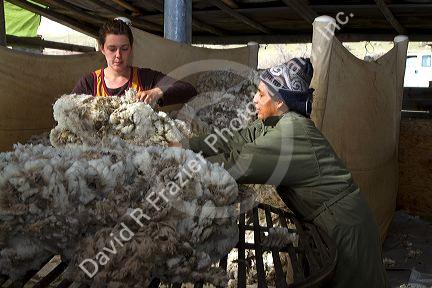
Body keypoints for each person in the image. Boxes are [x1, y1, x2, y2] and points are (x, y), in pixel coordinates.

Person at [181, 58, 389, 287]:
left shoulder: (291, 133)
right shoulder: (272, 123)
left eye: (261, 94)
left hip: (346, 226)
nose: (254, 99)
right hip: (323, 221)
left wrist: (184, 166)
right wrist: (185, 146)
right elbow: (232, 141)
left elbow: (240, 163)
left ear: (280, 101)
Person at [72, 19, 197, 107]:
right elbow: (65, 114)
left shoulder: (145, 78)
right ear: (102, 49)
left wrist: (157, 92)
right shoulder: (89, 83)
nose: (118, 55)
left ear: (131, 48)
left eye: (124, 48)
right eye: (112, 49)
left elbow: (188, 90)